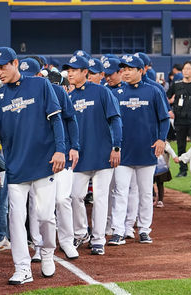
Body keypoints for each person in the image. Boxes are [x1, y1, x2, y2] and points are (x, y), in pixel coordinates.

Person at [0, 47, 66, 285]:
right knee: (16, 219)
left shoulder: (40, 86)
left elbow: (56, 119)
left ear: (15, 63)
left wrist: (60, 149)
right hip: (16, 169)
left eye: (3, 67)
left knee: (45, 217)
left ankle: (48, 251)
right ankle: (22, 267)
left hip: (44, 164)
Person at [20, 57, 81, 259]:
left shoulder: (56, 91)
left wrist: (74, 147)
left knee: (62, 199)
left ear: (40, 75)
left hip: (60, 153)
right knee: (36, 204)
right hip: (35, 157)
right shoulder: (17, 95)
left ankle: (67, 241)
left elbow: (70, 119)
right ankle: (39, 245)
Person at [109, 54, 169, 245]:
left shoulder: (153, 91)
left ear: (141, 71)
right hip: (123, 152)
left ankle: (144, 229)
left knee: (145, 193)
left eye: (130, 69)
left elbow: (164, 118)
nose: (125, 72)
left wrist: (161, 139)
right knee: (120, 191)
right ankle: (118, 230)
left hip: (147, 150)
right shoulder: (115, 93)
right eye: (123, 69)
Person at [64, 55, 121, 255]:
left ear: (84, 72)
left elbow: (115, 120)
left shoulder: (102, 92)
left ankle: (98, 240)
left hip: (103, 155)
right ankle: (81, 233)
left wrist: (116, 147)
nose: (70, 73)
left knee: (101, 198)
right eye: (68, 70)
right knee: (75, 196)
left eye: (74, 70)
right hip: (79, 157)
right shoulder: (69, 97)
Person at [167, 61, 191, 178]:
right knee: (181, 145)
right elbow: (166, 97)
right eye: (184, 69)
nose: (186, 71)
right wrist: (169, 110)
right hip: (180, 120)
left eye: (188, 69)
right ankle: (182, 170)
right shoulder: (176, 84)